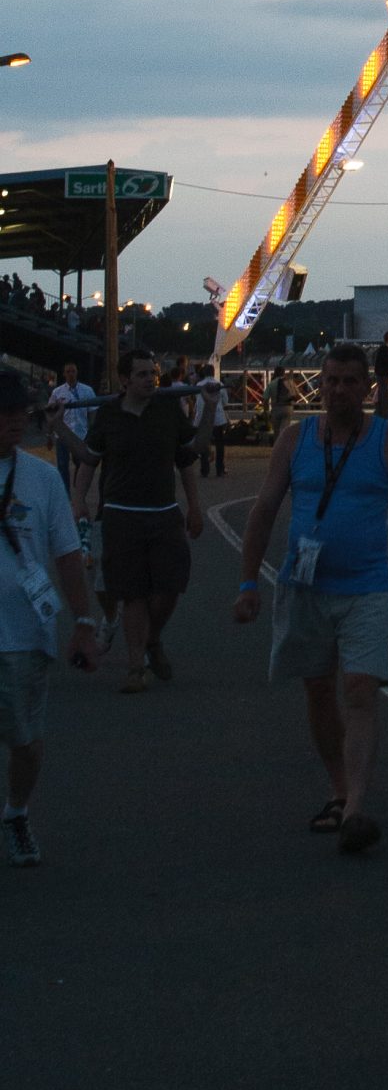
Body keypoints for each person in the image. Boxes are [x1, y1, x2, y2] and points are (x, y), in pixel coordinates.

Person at [233, 341, 388, 855]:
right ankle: (340, 789)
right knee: (319, 690)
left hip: (367, 587)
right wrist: (249, 583)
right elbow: (264, 510)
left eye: (349, 382)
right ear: (320, 385)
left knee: (361, 688)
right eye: (330, 381)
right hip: (305, 587)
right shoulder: (295, 440)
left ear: (367, 387)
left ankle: (356, 809)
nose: (338, 390)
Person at [0, 369, 103, 863]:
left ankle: (16, 812)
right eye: (5, 412)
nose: (17, 420)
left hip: (24, 632)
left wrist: (84, 623)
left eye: (20, 411)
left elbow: (66, 554)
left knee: (25, 740)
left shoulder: (42, 480)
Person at [65, 348, 207, 693]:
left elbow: (188, 458)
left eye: (153, 373)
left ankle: (152, 639)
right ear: (124, 380)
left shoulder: (168, 410)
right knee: (133, 593)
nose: (150, 380)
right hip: (121, 515)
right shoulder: (109, 415)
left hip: (163, 513)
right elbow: (88, 458)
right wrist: (78, 499)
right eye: (142, 374)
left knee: (170, 587)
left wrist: (194, 506)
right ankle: (135, 667)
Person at [46, 362, 97, 493]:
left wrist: (92, 432)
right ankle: (65, 494)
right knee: (62, 465)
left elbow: (92, 413)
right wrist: (49, 435)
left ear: (77, 372)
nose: (71, 374)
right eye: (68, 372)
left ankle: (79, 489)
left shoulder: (87, 390)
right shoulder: (57, 392)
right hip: (62, 436)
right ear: (64, 374)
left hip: (81, 434)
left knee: (81, 464)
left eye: (73, 371)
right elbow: (50, 414)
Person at [194, 365, 228, 479]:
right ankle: (220, 469)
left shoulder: (199, 385)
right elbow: (225, 401)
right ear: (213, 373)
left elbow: (196, 399)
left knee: (204, 443)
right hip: (218, 417)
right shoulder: (220, 385)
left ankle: (204, 470)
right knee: (219, 444)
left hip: (203, 417)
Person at [372, 331, 388, 419]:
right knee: (384, 393)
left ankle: (381, 411)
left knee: (382, 392)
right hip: (383, 374)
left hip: (381, 373)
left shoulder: (382, 348)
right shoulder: (385, 349)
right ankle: (385, 412)